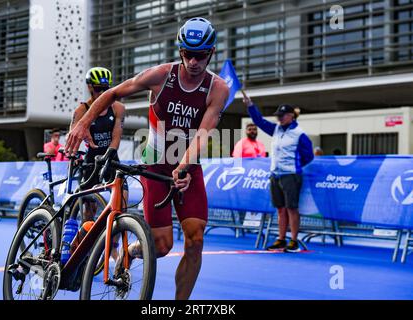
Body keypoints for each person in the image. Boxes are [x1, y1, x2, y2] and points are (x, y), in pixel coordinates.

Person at [65, 17, 229, 299]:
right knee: (161, 246)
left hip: (187, 164)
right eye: (188, 54)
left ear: (211, 53)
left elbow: (203, 133)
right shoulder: (161, 75)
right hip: (155, 160)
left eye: (200, 56)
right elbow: (113, 93)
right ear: (180, 51)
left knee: (195, 240)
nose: (193, 62)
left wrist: (183, 166)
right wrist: (82, 123)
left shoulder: (218, 89)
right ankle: (131, 250)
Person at [242, 91, 314, 253]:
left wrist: (295, 166)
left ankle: (293, 241)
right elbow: (259, 121)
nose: (279, 118)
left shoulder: (299, 134)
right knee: (280, 209)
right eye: (278, 116)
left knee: (292, 208)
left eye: (282, 115)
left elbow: (309, 155)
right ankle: (281, 239)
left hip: (291, 175)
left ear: (291, 116)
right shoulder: (276, 130)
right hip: (275, 175)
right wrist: (250, 106)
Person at [70, 67, 127, 222]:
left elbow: (116, 137)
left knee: (122, 204)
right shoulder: (81, 110)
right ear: (89, 87)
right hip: (91, 161)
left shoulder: (118, 108)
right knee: (89, 211)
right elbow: (73, 138)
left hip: (110, 157)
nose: (102, 93)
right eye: (98, 89)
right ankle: (87, 241)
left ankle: (114, 245)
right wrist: (74, 155)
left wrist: (109, 154)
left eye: (106, 89)